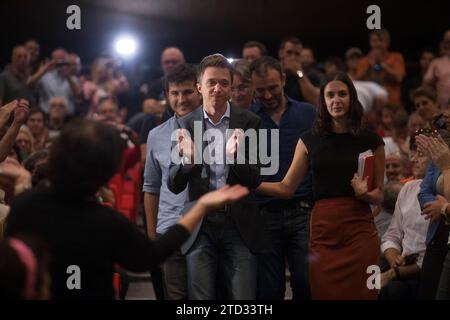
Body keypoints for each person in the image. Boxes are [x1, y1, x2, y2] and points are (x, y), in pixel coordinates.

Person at [5, 119, 250, 299]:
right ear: (107, 171)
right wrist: (200, 208)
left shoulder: (24, 206)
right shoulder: (106, 221)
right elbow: (150, 256)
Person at [256, 72, 385, 299]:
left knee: (366, 293)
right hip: (324, 230)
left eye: (342, 94)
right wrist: (250, 183)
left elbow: (379, 196)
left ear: (352, 98)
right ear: (323, 101)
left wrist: (365, 194)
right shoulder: (309, 139)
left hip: (360, 230)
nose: (336, 100)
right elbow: (287, 188)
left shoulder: (371, 140)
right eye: (330, 95)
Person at [168, 54, 267, 300]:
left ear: (231, 87)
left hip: (239, 223)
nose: (217, 88)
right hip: (200, 224)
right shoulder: (184, 124)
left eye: (224, 83)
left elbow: (255, 179)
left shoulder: (250, 122)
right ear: (199, 87)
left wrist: (236, 158)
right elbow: (174, 184)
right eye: (211, 82)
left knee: (244, 299)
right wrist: (188, 162)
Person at [250, 56, 315, 300]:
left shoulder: (307, 113)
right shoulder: (246, 119)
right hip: (263, 215)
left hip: (303, 213)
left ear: (284, 80)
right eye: (260, 90)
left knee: (307, 284)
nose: (267, 95)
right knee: (268, 291)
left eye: (272, 88)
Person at [143, 63, 201, 299]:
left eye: (187, 92)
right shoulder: (156, 135)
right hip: (170, 229)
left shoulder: (218, 129)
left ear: (199, 90)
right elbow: (151, 188)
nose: (181, 99)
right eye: (174, 93)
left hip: (207, 230)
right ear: (166, 95)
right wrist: (152, 237)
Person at [379, 135, 430, 300]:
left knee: (393, 290)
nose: (413, 160)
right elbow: (391, 236)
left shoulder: (444, 194)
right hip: (403, 266)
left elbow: (436, 254)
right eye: (413, 154)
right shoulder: (408, 188)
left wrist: (394, 273)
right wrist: (394, 260)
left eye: (420, 155)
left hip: (430, 270)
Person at [416, 132, 450, 299]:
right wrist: (437, 206)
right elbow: (423, 193)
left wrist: (444, 207)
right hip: (438, 234)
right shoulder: (439, 153)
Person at [355, 29, 406, 105]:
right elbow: (357, 82)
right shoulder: (363, 61)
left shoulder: (396, 57)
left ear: (387, 42)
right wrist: (370, 65)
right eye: (374, 41)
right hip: (371, 106)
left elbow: (399, 78)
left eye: (380, 40)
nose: (377, 44)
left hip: (391, 105)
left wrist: (382, 64)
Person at [423, 29, 450, 109]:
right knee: (439, 121)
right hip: (443, 112)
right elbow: (425, 86)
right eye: (447, 42)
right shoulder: (436, 63)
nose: (448, 45)